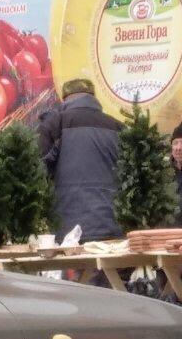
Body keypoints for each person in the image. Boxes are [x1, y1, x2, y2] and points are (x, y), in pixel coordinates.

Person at [37, 79, 123, 243]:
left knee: (75, 268)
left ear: (64, 98)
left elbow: (38, 175)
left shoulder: (54, 125)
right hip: (113, 230)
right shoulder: (117, 127)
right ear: (94, 97)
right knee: (108, 269)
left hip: (68, 233)